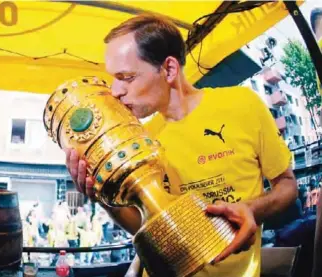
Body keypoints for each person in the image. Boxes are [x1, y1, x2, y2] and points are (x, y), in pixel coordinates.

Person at [63, 14, 298, 277]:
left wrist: (253, 209)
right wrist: (102, 198)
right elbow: (148, 226)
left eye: (126, 77)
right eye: (114, 78)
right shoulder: (141, 138)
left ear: (170, 69)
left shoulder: (243, 105)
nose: (115, 91)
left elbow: (287, 185)